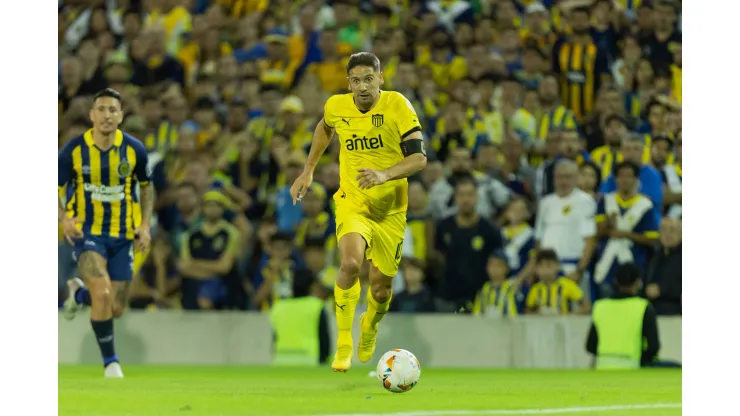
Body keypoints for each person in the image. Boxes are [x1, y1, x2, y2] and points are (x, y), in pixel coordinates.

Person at [289, 52, 427, 372]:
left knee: (381, 287)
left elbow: (419, 159)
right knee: (350, 263)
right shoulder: (337, 106)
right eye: (356, 80)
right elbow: (325, 129)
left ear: (381, 78)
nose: (362, 87)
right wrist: (308, 169)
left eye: (369, 79)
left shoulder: (398, 106)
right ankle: (343, 344)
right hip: (353, 200)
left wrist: (384, 174)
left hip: (391, 208)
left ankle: (370, 326)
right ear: (348, 83)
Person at [58, 88, 153, 378]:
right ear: (92, 115)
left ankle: (78, 293)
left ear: (121, 116)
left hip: (123, 235)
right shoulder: (73, 150)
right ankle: (111, 363)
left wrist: (145, 225)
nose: (107, 115)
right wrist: (63, 219)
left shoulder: (134, 149)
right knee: (103, 292)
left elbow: (147, 189)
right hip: (87, 234)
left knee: (116, 308)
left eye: (113, 110)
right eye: (101, 109)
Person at [586, 263, 680, 369]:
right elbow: (653, 347)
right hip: (633, 366)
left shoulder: (600, 306)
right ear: (638, 283)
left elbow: (590, 346)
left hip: (603, 366)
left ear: (615, 281)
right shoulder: (643, 307)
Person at [594, 161, 659, 300]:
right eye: (621, 176)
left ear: (636, 180)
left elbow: (652, 239)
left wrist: (623, 234)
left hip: (634, 266)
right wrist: (607, 224)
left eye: (629, 176)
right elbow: (598, 233)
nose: (625, 180)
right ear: (616, 179)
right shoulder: (606, 201)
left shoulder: (645, 205)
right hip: (608, 266)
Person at [177, 190, 241, 310]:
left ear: (223, 209)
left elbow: (225, 267)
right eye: (209, 205)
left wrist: (195, 264)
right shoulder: (191, 235)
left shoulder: (231, 233)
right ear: (202, 208)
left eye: (217, 205)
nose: (212, 209)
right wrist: (212, 269)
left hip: (222, 283)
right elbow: (184, 267)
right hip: (193, 284)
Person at [269, 268, 330, 366]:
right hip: (309, 362)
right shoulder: (316, 306)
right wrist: (325, 362)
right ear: (311, 286)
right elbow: (324, 340)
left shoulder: (278, 307)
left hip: (281, 362)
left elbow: (275, 339)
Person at [526, 249, 588, 315]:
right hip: (542, 324)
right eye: (541, 266)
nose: (545, 270)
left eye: (548, 265)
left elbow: (587, 307)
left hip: (564, 323)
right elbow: (528, 312)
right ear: (536, 269)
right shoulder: (535, 289)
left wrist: (571, 315)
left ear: (557, 266)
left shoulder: (567, 285)